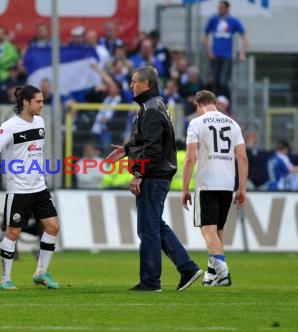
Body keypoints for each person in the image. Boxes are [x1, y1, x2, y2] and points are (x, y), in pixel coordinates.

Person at [105, 66, 201, 292]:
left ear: (146, 84)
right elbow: (149, 140)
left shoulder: (150, 109)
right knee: (155, 225)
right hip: (158, 174)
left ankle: (151, 281)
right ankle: (187, 268)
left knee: (147, 230)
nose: (131, 85)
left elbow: (153, 148)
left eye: (134, 82)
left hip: (154, 176)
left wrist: (139, 173)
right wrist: (128, 149)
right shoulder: (156, 105)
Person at [0, 85, 61, 290]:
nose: (42, 104)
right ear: (26, 102)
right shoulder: (9, 126)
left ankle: (41, 273)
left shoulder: (40, 121)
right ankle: (5, 279)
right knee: (13, 232)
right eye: (38, 101)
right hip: (19, 189)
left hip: (39, 187)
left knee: (53, 227)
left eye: (42, 100)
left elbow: (35, 152)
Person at [181, 90, 247, 287]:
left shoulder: (196, 123)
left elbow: (190, 158)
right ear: (215, 103)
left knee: (207, 230)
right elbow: (242, 158)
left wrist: (184, 188)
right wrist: (242, 188)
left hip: (207, 183)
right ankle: (211, 273)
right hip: (227, 184)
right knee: (217, 230)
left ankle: (223, 272)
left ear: (198, 103)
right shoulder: (233, 124)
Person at [203, 0, 248, 98]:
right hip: (215, 56)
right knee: (215, 82)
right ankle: (217, 103)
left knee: (223, 81)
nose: (220, 10)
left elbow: (244, 35)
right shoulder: (213, 20)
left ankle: (227, 102)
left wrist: (242, 52)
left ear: (227, 8)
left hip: (226, 56)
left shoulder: (233, 21)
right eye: (219, 8)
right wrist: (209, 51)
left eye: (222, 8)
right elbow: (205, 35)